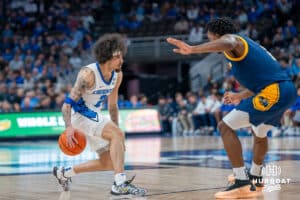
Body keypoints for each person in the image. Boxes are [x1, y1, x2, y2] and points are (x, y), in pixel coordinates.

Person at [167, 17, 297, 199]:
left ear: (217, 36)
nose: (212, 43)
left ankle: (241, 181)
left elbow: (229, 40)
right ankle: (256, 178)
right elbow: (261, 79)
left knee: (225, 126)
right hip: (281, 89)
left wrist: (192, 49)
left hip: (275, 91)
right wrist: (240, 95)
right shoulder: (245, 47)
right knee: (259, 133)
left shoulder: (235, 40)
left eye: (211, 38)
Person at [53, 33, 146, 197]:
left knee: (108, 162)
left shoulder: (117, 75)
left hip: (94, 115)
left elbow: (112, 105)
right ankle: (119, 184)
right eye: (118, 57)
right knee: (116, 136)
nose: (122, 60)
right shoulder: (88, 74)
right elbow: (67, 104)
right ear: (107, 57)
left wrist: (117, 133)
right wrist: (68, 128)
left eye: (122, 56)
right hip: (79, 115)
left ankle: (64, 173)